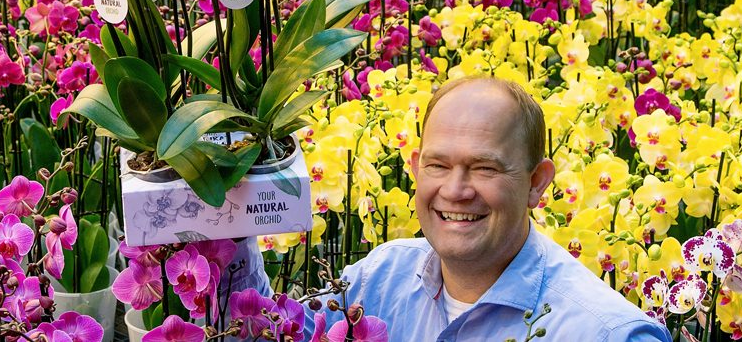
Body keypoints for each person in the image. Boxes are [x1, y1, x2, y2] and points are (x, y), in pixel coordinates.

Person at [227, 75, 673, 341]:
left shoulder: (607, 333)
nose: (456, 191)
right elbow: (269, 329)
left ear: (537, 184)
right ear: (417, 168)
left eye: (484, 168)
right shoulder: (378, 280)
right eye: (439, 165)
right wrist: (222, 222)